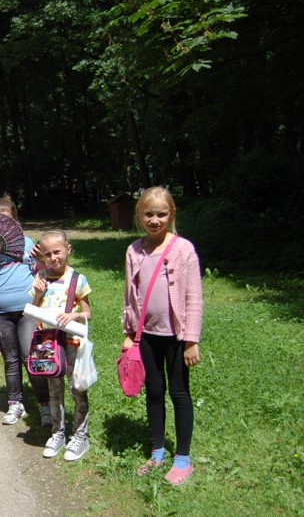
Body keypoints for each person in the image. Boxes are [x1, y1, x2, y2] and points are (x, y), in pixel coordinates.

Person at [123, 187, 202, 485]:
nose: (155, 220)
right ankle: (157, 451)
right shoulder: (134, 250)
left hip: (177, 338)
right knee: (154, 392)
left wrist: (191, 340)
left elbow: (194, 297)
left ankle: (182, 458)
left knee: (179, 392)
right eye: (148, 214)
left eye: (161, 214)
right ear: (139, 215)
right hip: (146, 337)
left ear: (172, 214)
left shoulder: (183, 249)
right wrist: (129, 333)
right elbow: (129, 297)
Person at [0, 195, 51, 426]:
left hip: (29, 309)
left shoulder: (27, 243)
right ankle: (15, 402)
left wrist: (42, 261)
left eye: (8, 221)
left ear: (15, 222)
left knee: (31, 355)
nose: (4, 227)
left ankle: (45, 404)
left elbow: (41, 271)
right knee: (11, 359)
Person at [31, 230, 93, 462]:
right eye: (47, 254)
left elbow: (87, 312)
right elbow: (34, 307)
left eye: (57, 252)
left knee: (77, 387)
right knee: (54, 389)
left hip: (72, 342)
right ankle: (58, 432)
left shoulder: (78, 279)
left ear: (68, 250)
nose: (53, 258)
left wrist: (74, 316)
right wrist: (38, 294)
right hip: (48, 344)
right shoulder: (40, 277)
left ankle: (80, 435)